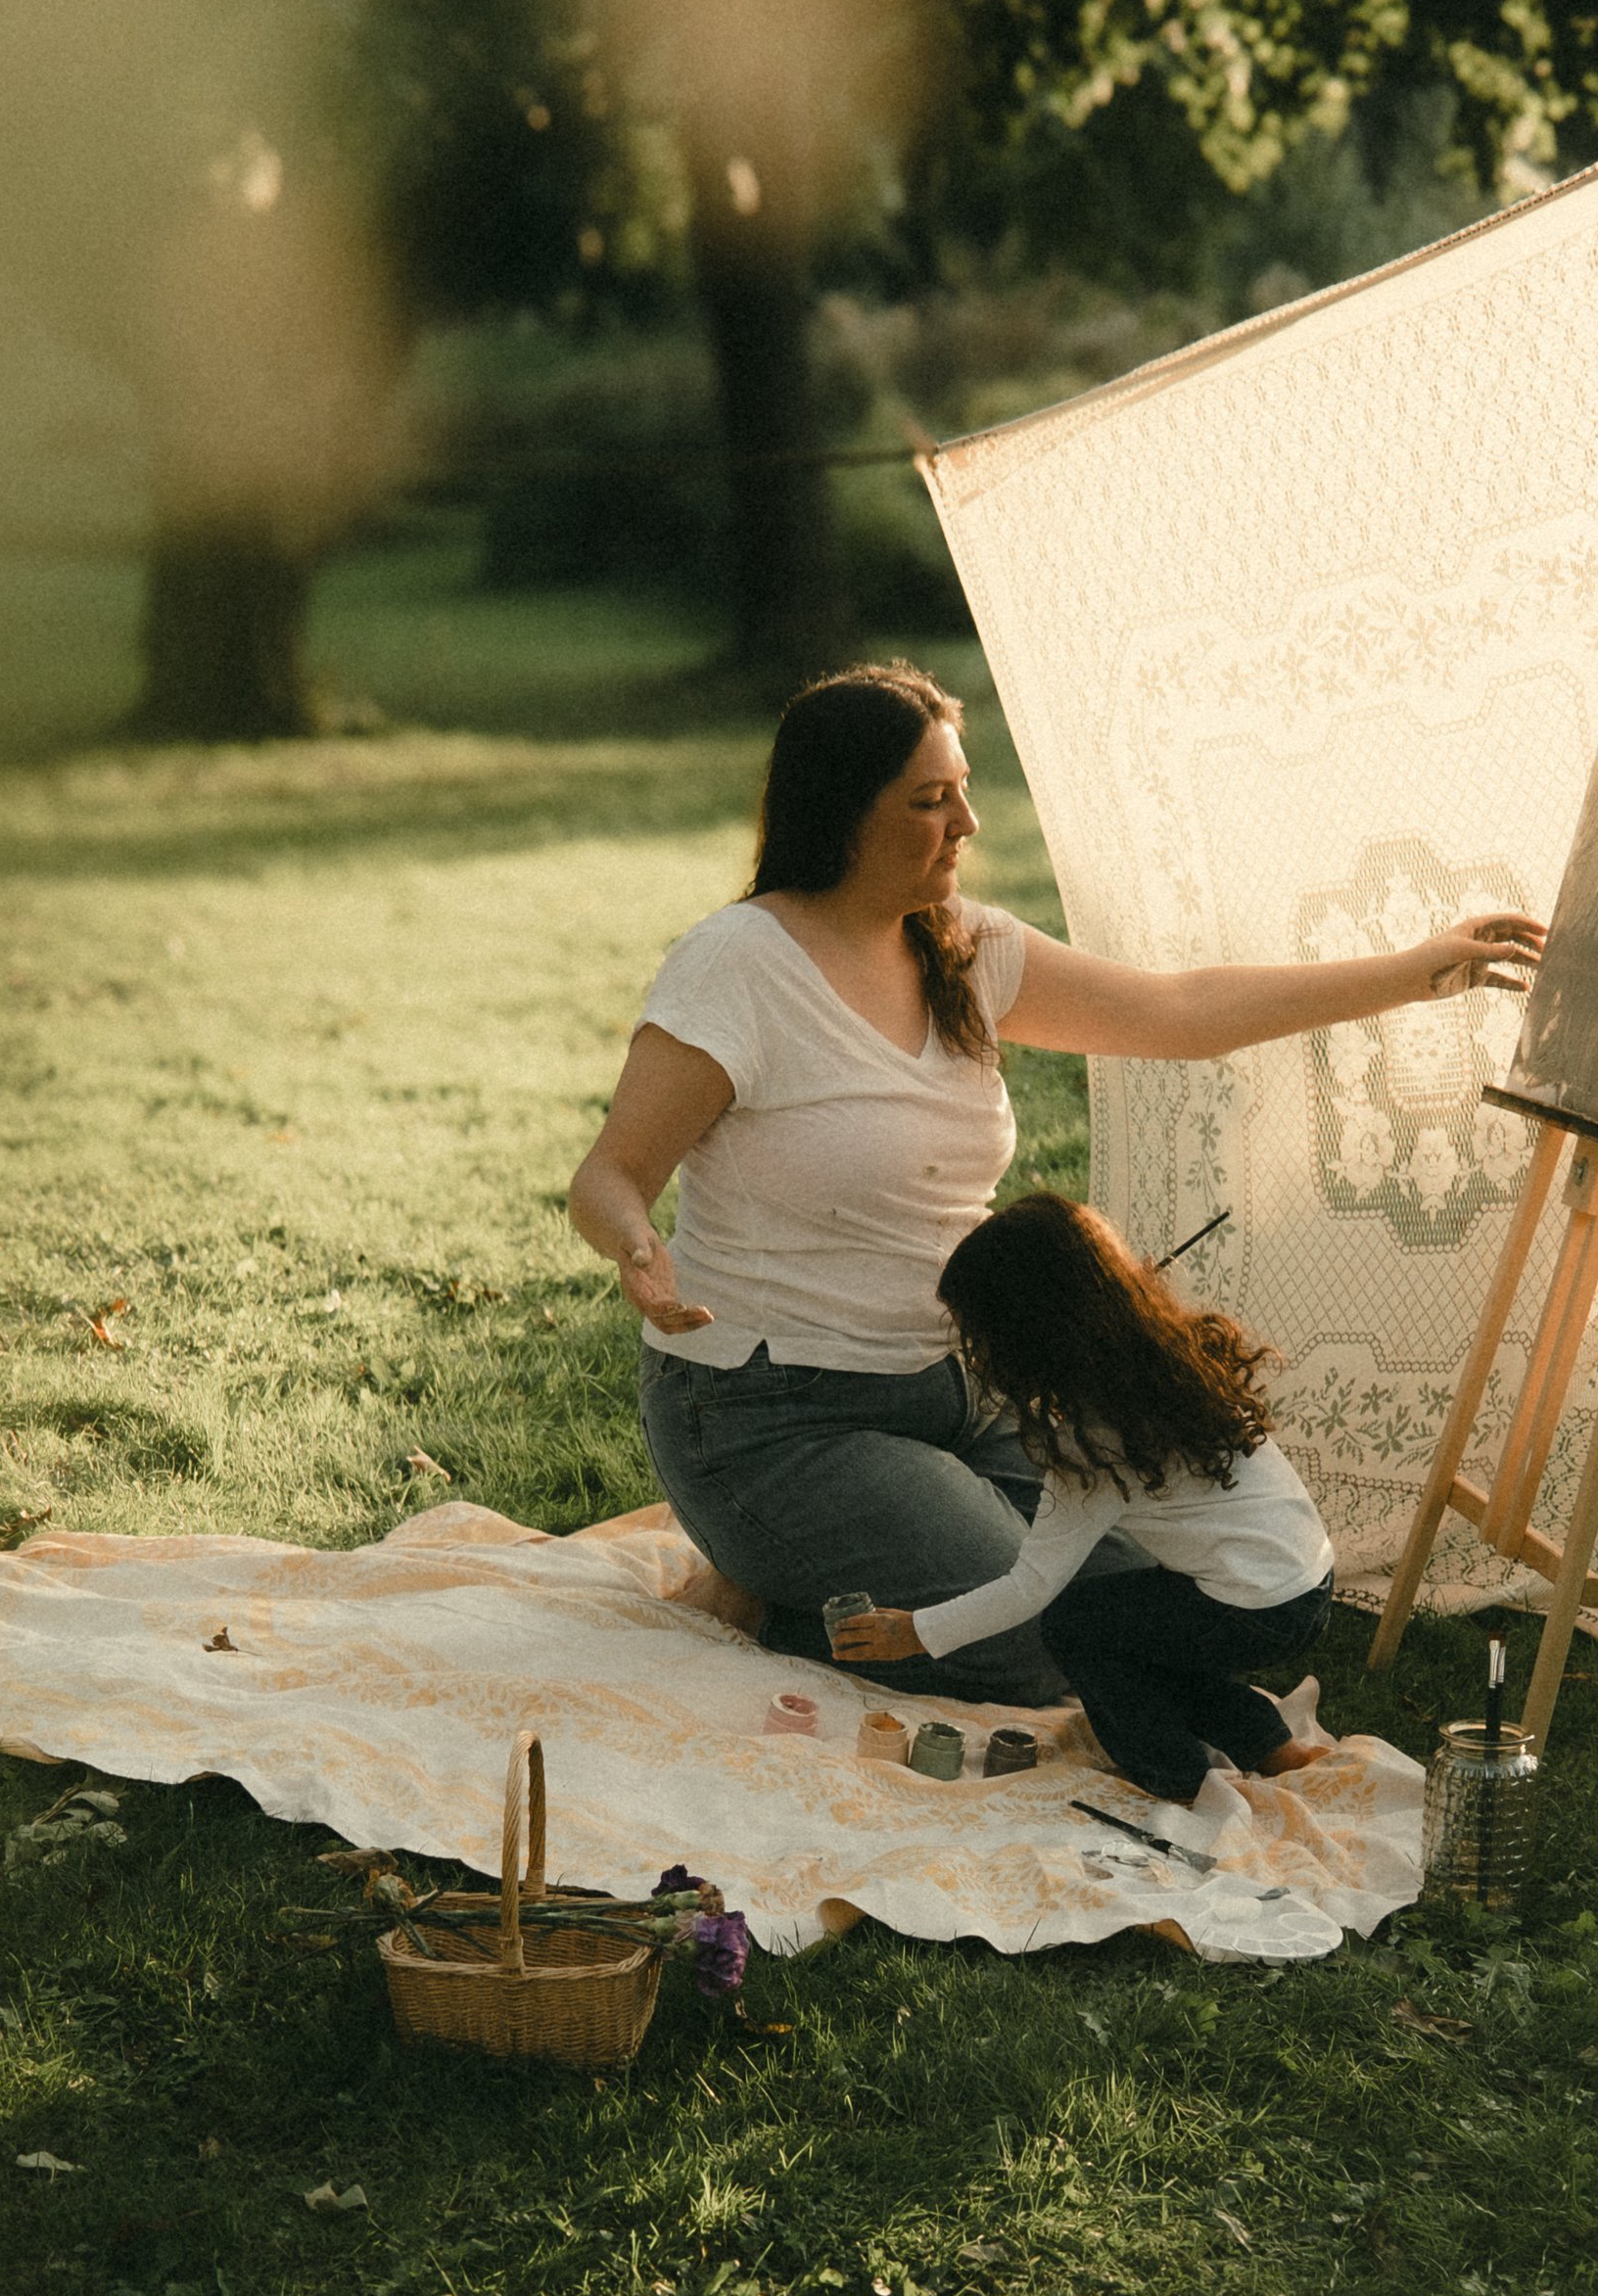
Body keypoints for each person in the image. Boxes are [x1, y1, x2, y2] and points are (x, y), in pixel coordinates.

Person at [567, 661, 1539, 1705]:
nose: (967, 821)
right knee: (1038, 1648)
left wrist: (1413, 968)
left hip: (970, 1392)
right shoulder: (737, 967)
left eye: (963, 789)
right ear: (843, 809)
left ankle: (822, 1563)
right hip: (773, 1414)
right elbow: (611, 1172)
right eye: (929, 801)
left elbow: (1178, 1013)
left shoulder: (968, 947)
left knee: (1167, 1598)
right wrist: (637, 1248)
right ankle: (772, 1589)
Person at [831, 1195, 1333, 1814]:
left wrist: (915, 1631)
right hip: (1304, 1580)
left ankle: (1175, 1780)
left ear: (1024, 1337)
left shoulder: (1095, 1440)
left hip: (1253, 1606)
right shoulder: (1173, 1357)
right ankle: (1268, 1744)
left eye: (977, 1332)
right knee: (1132, 1626)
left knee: (1079, 1626)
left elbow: (1030, 1585)